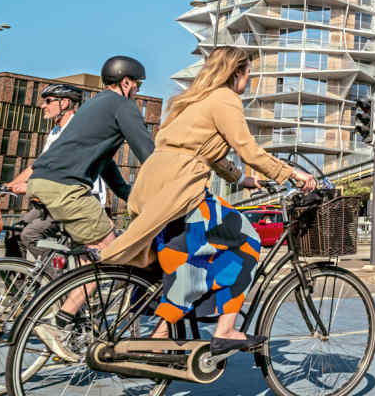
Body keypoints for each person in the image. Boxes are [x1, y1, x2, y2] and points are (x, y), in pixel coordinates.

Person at [101, 47, 316, 357]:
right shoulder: (225, 98)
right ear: (237, 73)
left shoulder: (192, 100)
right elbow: (248, 149)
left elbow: (207, 151)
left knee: (191, 259)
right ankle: (226, 330)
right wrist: (292, 174)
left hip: (153, 185)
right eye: (248, 75)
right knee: (248, 240)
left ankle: (160, 336)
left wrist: (243, 180)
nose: (249, 81)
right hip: (181, 187)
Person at [9, 57, 153, 358]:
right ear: (126, 82)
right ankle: (61, 322)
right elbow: (149, 155)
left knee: (87, 256)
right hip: (67, 188)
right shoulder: (122, 106)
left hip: (45, 182)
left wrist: (127, 193)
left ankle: (73, 306)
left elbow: (105, 162)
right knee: (111, 252)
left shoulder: (95, 105)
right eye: (138, 84)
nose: (138, 91)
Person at [13, 83, 84, 257]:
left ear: (65, 103)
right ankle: (19, 282)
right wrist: (8, 186)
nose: (42, 105)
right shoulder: (55, 131)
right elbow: (40, 165)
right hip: (51, 198)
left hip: (71, 197)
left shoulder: (77, 129)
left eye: (48, 101)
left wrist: (30, 187)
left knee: (29, 235)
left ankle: (56, 281)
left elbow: (61, 167)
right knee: (13, 233)